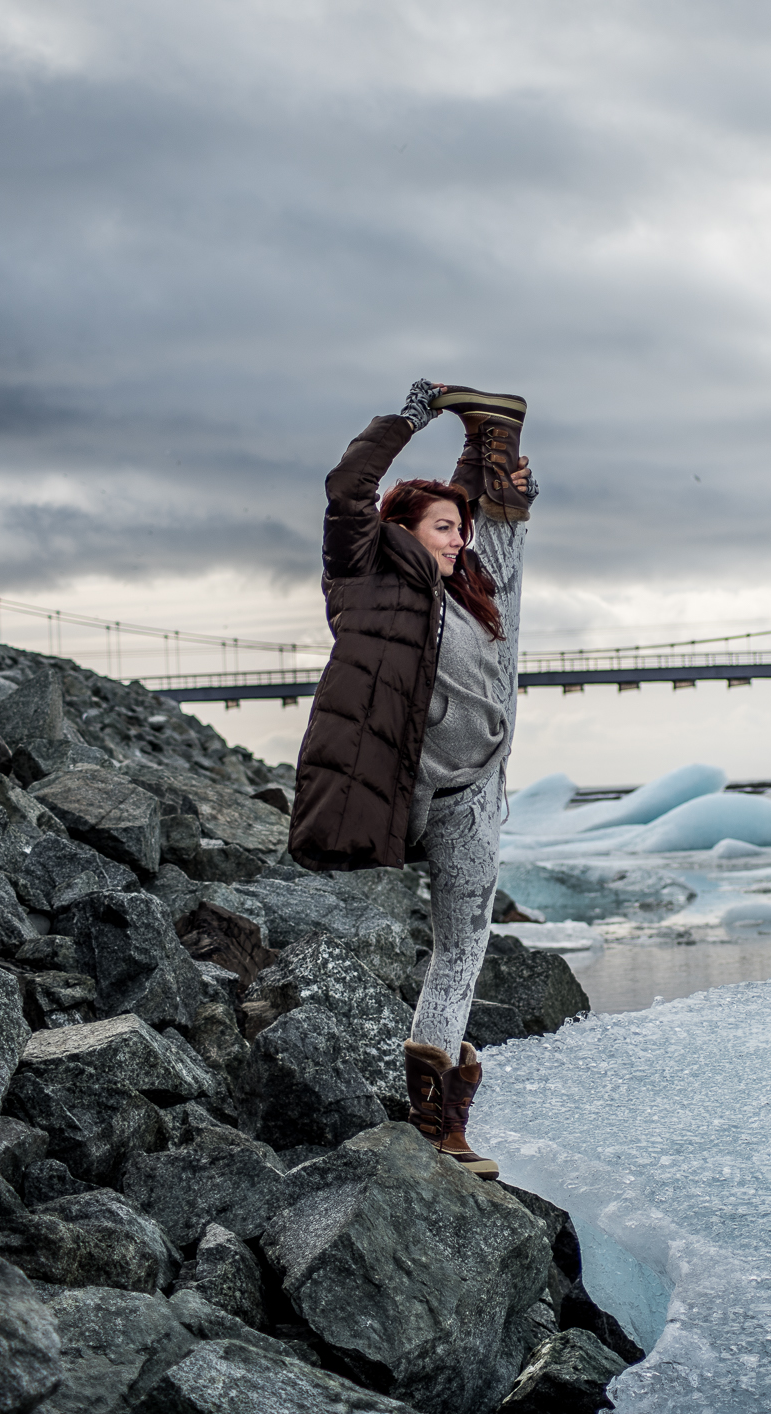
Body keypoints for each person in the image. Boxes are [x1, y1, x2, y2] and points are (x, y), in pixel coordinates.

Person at [287, 378, 536, 1178]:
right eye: (443, 527)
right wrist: (415, 410)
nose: (456, 539)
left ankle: (440, 1123)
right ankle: (482, 436)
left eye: (461, 527)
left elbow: (469, 528)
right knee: (454, 938)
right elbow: (346, 487)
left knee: (464, 945)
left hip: (475, 788)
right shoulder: (364, 573)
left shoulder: (472, 587)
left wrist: (489, 486)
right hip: (405, 787)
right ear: (401, 527)